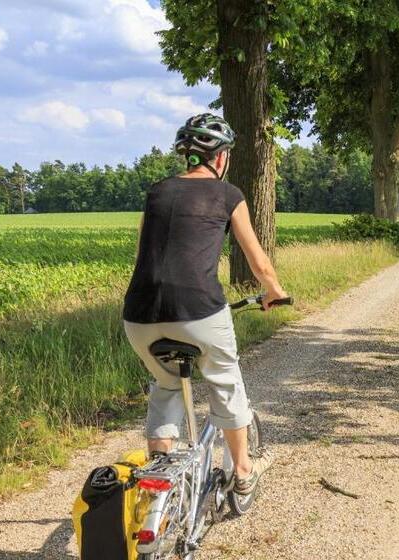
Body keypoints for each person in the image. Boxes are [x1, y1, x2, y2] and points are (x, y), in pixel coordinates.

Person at [122, 113, 285, 495]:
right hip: (197, 310)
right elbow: (258, 261)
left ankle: (157, 485)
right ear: (221, 157)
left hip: (140, 314)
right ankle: (243, 472)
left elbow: (142, 253)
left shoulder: (157, 191)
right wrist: (274, 290)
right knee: (225, 381)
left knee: (165, 386)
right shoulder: (228, 194)